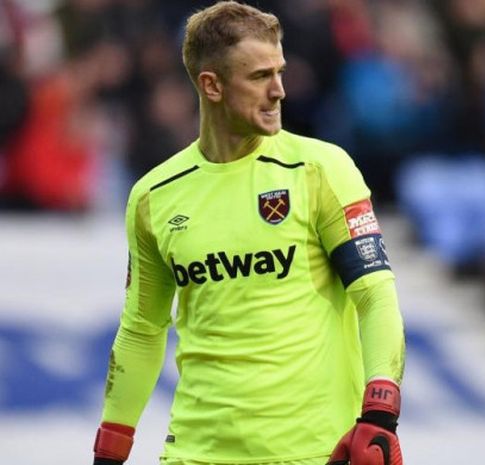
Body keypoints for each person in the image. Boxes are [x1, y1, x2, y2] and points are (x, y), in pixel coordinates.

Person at [91, 2, 406, 465]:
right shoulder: (153, 197)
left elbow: (376, 294)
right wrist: (110, 451)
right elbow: (141, 331)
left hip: (313, 453)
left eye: (279, 71)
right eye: (260, 76)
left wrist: (380, 412)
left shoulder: (319, 170)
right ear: (211, 85)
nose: (279, 90)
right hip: (198, 453)